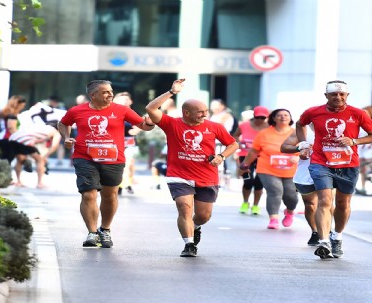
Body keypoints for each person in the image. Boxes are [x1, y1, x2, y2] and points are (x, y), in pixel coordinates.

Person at [145, 78, 239, 257]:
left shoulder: (214, 127)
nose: (204, 115)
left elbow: (233, 145)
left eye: (206, 111)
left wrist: (221, 156)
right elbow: (150, 109)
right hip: (178, 174)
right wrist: (172, 92)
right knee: (184, 206)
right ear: (186, 112)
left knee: (203, 216)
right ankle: (189, 244)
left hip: (207, 176)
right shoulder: (171, 124)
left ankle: (195, 227)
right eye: (200, 112)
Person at [57, 80, 155, 248]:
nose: (110, 95)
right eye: (105, 92)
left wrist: (150, 121)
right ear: (93, 95)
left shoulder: (121, 110)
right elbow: (63, 123)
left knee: (110, 196)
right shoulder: (77, 111)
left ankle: (105, 229)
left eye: (111, 91)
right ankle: (92, 233)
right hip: (85, 157)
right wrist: (66, 138)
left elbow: (143, 126)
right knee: (88, 194)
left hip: (113, 159)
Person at [296, 80, 372, 259]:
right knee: (325, 201)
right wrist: (303, 144)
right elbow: (300, 123)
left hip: (348, 164)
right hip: (320, 162)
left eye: (342, 94)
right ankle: (323, 241)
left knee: (343, 204)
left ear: (347, 95)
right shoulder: (313, 112)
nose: (338, 97)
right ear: (326, 96)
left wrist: (354, 141)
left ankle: (337, 236)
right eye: (334, 94)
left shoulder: (358, 114)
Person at [239, 108, 299, 230]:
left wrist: (299, 159)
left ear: (290, 118)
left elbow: (306, 150)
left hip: (291, 170)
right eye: (279, 115)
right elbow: (254, 151)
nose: (283, 117)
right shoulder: (264, 133)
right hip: (267, 168)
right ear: (273, 118)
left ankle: (289, 212)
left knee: (291, 195)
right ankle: (273, 219)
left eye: (286, 115)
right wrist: (245, 164)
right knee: (275, 190)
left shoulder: (296, 133)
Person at [280, 123, 324, 246]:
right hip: (305, 173)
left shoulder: (335, 129)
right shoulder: (303, 131)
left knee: (326, 203)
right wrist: (300, 148)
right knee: (310, 205)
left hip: (328, 172)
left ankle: (327, 232)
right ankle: (315, 231)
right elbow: (284, 147)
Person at [232, 106, 270, 215]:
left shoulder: (269, 127)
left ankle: (255, 205)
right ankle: (245, 202)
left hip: (262, 157)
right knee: (248, 181)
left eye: (263, 118)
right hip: (245, 156)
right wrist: (238, 144)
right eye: (258, 117)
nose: (260, 120)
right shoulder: (244, 125)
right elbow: (235, 135)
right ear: (254, 116)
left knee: (259, 182)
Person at [113, 91, 141, 195]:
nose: (124, 101)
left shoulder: (133, 112)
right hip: (115, 143)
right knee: (117, 165)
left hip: (130, 143)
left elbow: (140, 125)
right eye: (122, 99)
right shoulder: (112, 112)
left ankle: (127, 184)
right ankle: (119, 184)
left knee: (128, 164)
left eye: (126, 99)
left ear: (130, 101)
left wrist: (135, 130)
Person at [0, 95, 27, 163]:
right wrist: (20, 139)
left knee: (4, 159)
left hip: (1, 138)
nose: (22, 108)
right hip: (8, 139)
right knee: (7, 160)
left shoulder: (4, 112)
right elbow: (11, 128)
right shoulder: (11, 115)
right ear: (16, 105)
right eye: (21, 106)